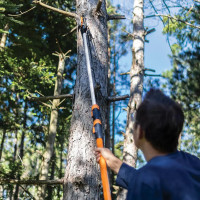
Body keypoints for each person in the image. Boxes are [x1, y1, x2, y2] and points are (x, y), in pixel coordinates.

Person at [95, 89, 200, 200]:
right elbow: (162, 182)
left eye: (134, 120)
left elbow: (150, 183)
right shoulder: (194, 164)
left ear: (140, 131)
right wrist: (116, 163)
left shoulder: (145, 182)